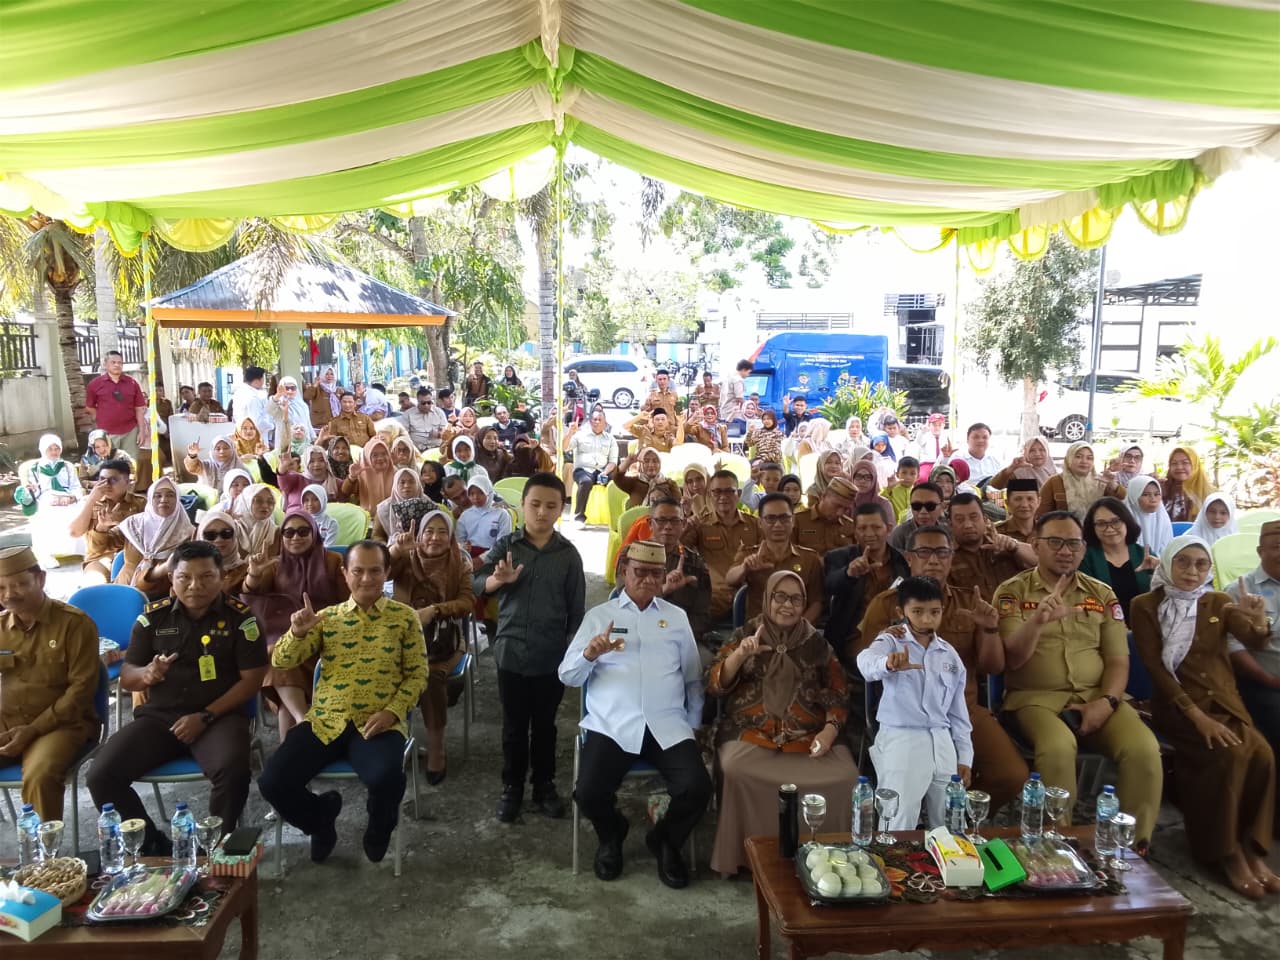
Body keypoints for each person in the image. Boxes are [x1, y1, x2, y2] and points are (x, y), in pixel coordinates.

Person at [996, 511, 1163, 848]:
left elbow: (1117, 660)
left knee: (1144, 749)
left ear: (1084, 548)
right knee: (1057, 748)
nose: (1065, 551)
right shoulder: (1012, 592)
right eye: (1055, 542)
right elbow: (1011, 659)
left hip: (1098, 695)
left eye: (1073, 544)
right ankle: (1056, 848)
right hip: (1034, 699)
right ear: (1035, 545)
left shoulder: (1101, 594)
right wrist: (1037, 621)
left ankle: (1131, 848)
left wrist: (1107, 702)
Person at [88, 540, 268, 853]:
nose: (195, 585)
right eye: (185, 577)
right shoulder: (152, 619)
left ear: (222, 576)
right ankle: (152, 845)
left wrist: (205, 716)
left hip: (219, 717)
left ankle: (213, 850)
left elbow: (252, 680)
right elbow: (128, 675)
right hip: (160, 718)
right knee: (101, 775)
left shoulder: (242, 619)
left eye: (206, 577)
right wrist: (147, 674)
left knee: (233, 771)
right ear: (172, 578)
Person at [258, 541, 427, 864]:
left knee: (386, 778)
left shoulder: (405, 619)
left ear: (387, 572)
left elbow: (418, 675)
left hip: (377, 722)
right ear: (345, 574)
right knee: (273, 782)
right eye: (358, 571)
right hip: (325, 720)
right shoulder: (326, 618)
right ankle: (319, 819)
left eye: (375, 571)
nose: (366, 579)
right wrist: (296, 633)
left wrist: (392, 712)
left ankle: (378, 830)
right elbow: (281, 662)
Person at [1131, 536, 1279, 898]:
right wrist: (1196, 716)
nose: (1192, 572)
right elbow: (1157, 669)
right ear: (1168, 563)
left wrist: (1259, 621)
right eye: (1183, 562)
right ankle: (1225, 852)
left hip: (1224, 702)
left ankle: (1252, 849)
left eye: (1201, 564)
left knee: (1263, 755)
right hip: (1178, 707)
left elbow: (1254, 639)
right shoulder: (1146, 605)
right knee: (1228, 755)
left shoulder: (1218, 601)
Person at [560, 541, 710, 887]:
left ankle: (666, 841)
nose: (648, 579)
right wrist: (589, 655)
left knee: (697, 788)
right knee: (588, 792)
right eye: (640, 572)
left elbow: (692, 680)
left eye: (656, 573)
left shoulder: (675, 618)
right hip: (612, 724)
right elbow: (567, 676)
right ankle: (612, 834)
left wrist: (694, 726)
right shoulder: (600, 616)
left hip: (667, 724)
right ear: (623, 572)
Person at [858, 525, 1027, 814]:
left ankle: (959, 817)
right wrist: (889, 657)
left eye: (942, 552)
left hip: (962, 707)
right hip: (906, 712)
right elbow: (865, 662)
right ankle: (919, 817)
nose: (934, 560)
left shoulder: (970, 602)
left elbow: (993, 666)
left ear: (952, 557)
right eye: (924, 552)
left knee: (1011, 776)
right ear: (909, 558)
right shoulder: (886, 604)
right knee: (903, 797)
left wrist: (989, 630)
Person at [707, 568, 855, 875]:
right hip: (751, 731)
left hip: (807, 735)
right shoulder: (747, 633)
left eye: (796, 599)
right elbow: (714, 685)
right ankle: (750, 857)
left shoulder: (817, 644)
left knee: (846, 776)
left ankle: (826, 858)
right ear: (767, 599)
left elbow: (839, 693)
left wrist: (830, 731)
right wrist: (740, 656)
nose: (787, 605)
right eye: (780, 597)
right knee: (735, 769)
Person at [474, 473, 586, 822]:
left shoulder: (568, 555)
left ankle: (544, 786)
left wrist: (572, 649)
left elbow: (576, 609)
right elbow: (477, 582)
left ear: (561, 509)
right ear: (522, 505)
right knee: (513, 726)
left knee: (545, 726)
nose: (541, 512)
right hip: (510, 651)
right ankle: (512, 787)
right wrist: (497, 580)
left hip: (550, 655)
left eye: (550, 506)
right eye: (534, 504)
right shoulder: (507, 546)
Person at [858, 576, 973, 830]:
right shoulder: (891, 640)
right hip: (903, 738)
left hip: (942, 740)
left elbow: (958, 713)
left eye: (934, 612)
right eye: (918, 612)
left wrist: (965, 755)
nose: (927, 620)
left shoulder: (949, 655)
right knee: (899, 819)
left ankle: (947, 856)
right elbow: (865, 663)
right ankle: (893, 857)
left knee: (951, 821)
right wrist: (887, 663)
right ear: (902, 612)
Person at [0, 545, 100, 820]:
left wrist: (32, 730)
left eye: (20, 584)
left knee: (40, 775)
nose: (9, 595)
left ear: (41, 579)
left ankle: (45, 848)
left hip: (61, 725)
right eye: (1, 588)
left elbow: (80, 692)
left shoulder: (75, 624)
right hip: (8, 722)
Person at [243, 510, 348, 740]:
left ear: (315, 532)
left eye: (303, 531)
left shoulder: (333, 561)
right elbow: (252, 595)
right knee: (282, 653)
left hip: (327, 633)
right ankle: (303, 722)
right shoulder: (276, 564)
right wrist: (254, 574)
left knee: (282, 658)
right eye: (288, 533)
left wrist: (320, 623)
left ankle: (295, 738)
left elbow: (348, 603)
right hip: (287, 633)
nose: (295, 537)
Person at [389, 509, 473, 783]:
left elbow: (467, 602)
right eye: (429, 531)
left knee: (429, 677)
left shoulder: (459, 562)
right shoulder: (406, 558)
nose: (434, 538)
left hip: (444, 640)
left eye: (442, 532)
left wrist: (436, 610)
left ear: (450, 537)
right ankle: (386, 742)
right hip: (402, 638)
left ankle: (436, 749)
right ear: (420, 534)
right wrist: (396, 551)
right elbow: (380, 571)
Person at [824, 502, 910, 661]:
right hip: (853, 638)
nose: (869, 533)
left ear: (889, 529)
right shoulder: (839, 557)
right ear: (855, 532)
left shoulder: (903, 560)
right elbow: (830, 585)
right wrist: (849, 573)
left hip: (896, 636)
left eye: (876, 527)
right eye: (862, 528)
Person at [1226, 521, 1280, 765]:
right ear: (1260, 551)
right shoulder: (1240, 590)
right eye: (1277, 547)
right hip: (1264, 684)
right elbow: (1232, 645)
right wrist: (1267, 679)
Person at [727, 493, 823, 624]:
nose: (778, 525)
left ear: (793, 521)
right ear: (760, 522)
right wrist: (745, 567)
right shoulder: (749, 554)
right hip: (758, 629)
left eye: (784, 518)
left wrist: (798, 628)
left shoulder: (810, 559)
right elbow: (730, 579)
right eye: (770, 519)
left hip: (797, 627)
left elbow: (817, 602)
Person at [680, 470, 760, 622]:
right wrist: (684, 530)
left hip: (750, 596)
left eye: (729, 491)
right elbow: (678, 550)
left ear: (739, 493)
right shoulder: (700, 524)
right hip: (714, 599)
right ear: (710, 494)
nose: (723, 497)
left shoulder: (755, 524)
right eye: (717, 492)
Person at [645, 498, 713, 643]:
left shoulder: (695, 563)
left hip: (680, 636)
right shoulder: (632, 557)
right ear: (650, 523)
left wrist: (678, 636)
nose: (668, 526)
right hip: (639, 631)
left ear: (683, 524)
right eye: (661, 520)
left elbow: (702, 615)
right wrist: (663, 590)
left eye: (675, 521)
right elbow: (624, 601)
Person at [1079, 497, 1157, 624]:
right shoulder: (1086, 559)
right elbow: (1087, 602)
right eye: (1101, 524)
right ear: (1093, 528)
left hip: (1145, 625)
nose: (1109, 529)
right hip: (1104, 627)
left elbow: (1163, 595)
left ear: (1127, 522)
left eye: (1115, 522)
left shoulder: (1143, 554)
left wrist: (1161, 569)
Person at [115, 478, 195, 600]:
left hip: (162, 598)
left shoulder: (188, 533)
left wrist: (161, 571)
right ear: (150, 499)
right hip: (123, 590)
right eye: (157, 496)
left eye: (170, 495)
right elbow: (103, 545)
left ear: (178, 499)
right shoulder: (134, 524)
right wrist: (101, 528)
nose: (164, 500)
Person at [69, 458, 145, 582]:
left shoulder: (140, 503)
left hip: (132, 558)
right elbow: (74, 532)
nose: (106, 485)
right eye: (102, 479)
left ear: (127, 481)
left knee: (131, 582)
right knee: (95, 582)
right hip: (99, 558)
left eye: (112, 480)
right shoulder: (90, 501)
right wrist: (91, 500)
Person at [946, 492, 1035, 598]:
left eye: (974, 517)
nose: (968, 525)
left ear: (985, 520)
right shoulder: (946, 557)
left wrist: (1014, 546)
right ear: (950, 525)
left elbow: (1043, 562)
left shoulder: (1003, 544)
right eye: (960, 520)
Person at [20, 434, 85, 565]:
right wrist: (33, 489)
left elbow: (75, 486)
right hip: (46, 498)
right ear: (43, 449)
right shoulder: (35, 468)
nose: (54, 452)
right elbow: (36, 491)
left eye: (57, 449)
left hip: (67, 496)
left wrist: (72, 497)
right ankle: (47, 554)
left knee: (81, 510)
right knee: (47, 513)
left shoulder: (67, 466)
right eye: (50, 449)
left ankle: (82, 550)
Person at [1035, 441, 1123, 521]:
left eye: (1089, 458)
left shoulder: (1101, 481)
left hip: (1096, 531)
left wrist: (1113, 485)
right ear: (1069, 458)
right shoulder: (1054, 482)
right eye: (1078, 457)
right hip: (1064, 531)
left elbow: (1122, 503)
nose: (1084, 461)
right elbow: (1041, 515)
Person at [85, 349, 147, 460]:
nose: (117, 365)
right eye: (113, 362)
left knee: (131, 464)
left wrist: (142, 431)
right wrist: (100, 418)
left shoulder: (132, 383)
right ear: (105, 364)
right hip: (107, 433)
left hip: (130, 432)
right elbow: (90, 407)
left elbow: (139, 409)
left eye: (120, 363)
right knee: (109, 465)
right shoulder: (95, 384)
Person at [565, 409, 618, 525]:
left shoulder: (610, 439)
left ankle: (615, 516)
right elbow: (564, 447)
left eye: (600, 420)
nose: (597, 422)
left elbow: (613, 462)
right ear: (590, 421)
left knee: (617, 482)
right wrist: (570, 433)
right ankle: (579, 517)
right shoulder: (580, 435)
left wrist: (605, 472)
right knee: (586, 482)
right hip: (583, 470)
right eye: (595, 419)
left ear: (605, 423)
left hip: (602, 470)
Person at [792, 474, 857, 557]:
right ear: (823, 496)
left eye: (845, 509)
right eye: (837, 506)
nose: (840, 513)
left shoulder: (850, 526)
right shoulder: (798, 520)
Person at [457, 475, 513, 559]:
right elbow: (459, 540)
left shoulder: (501, 514)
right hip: (468, 556)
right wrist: (462, 546)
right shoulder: (465, 515)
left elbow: (503, 544)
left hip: (494, 556)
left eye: (481, 493)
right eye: (471, 494)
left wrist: (482, 559)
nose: (476, 497)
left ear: (489, 492)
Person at [195, 510, 251, 594]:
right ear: (201, 538)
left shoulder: (245, 571)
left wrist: (254, 576)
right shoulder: (189, 569)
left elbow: (249, 588)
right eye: (210, 535)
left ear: (234, 536)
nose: (219, 540)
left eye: (226, 533)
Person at [887, 481, 946, 553]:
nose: (923, 511)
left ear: (942, 507)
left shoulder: (948, 531)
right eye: (916, 506)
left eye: (930, 506)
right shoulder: (900, 534)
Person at [612, 446, 678, 509]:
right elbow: (617, 478)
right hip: (638, 516)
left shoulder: (669, 484)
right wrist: (627, 462)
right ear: (641, 464)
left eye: (655, 461)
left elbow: (678, 505)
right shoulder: (635, 481)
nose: (651, 465)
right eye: (646, 461)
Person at [1124, 474, 1174, 556]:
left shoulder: (1163, 518)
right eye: (1145, 494)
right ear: (1134, 496)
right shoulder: (1124, 521)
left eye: (1157, 494)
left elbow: (1167, 548)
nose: (1153, 499)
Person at [1162, 446, 1215, 523]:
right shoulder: (1163, 490)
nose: (1179, 467)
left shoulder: (1212, 494)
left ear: (1195, 465)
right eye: (1174, 463)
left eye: (1185, 463)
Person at [343, 437, 395, 512]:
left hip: (391, 515)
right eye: (375, 455)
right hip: (367, 516)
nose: (380, 458)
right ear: (367, 457)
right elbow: (345, 491)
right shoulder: (361, 475)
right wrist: (352, 477)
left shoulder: (396, 473)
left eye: (384, 454)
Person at [373, 467, 426, 541]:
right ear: (395, 485)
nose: (407, 485)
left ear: (418, 484)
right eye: (402, 482)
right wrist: (390, 547)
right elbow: (377, 536)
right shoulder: (384, 508)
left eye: (411, 482)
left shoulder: (428, 504)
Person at [990, 437, 1057, 490]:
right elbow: (994, 486)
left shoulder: (1054, 472)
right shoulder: (1020, 472)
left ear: (1047, 452)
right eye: (1032, 450)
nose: (1037, 454)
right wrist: (1010, 468)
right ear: (1026, 452)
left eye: (1042, 450)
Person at [233, 482, 280, 555]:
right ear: (246, 502)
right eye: (258, 500)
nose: (265, 505)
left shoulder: (276, 532)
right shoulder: (231, 529)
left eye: (270, 501)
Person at [995, 478, 1040, 543]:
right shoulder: (996, 532)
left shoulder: (1047, 530)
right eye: (1018, 499)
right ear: (1007, 503)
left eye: (1030, 499)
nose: (1024, 505)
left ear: (1038, 502)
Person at [228, 366, 268, 436]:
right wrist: (271, 425)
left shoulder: (239, 392)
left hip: (241, 432)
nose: (263, 382)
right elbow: (257, 422)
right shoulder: (253, 397)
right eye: (263, 379)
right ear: (257, 381)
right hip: (254, 436)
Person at [881, 456, 920, 523]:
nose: (908, 477)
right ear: (897, 474)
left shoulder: (918, 492)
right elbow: (880, 501)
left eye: (912, 474)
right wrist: (889, 489)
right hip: (895, 526)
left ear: (918, 477)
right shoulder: (891, 489)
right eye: (904, 473)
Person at [300, 483, 339, 547]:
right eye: (306, 500)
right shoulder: (300, 522)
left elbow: (328, 546)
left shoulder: (331, 523)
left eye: (315, 499)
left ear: (323, 500)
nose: (310, 503)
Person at [719, 359, 752, 424]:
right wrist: (749, 404)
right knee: (734, 429)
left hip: (724, 410)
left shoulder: (728, 377)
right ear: (743, 370)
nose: (748, 375)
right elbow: (739, 398)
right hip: (732, 412)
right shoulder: (738, 380)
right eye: (748, 372)